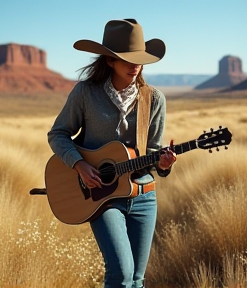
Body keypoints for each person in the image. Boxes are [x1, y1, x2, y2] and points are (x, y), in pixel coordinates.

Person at [47, 18, 177, 288]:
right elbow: (58, 134)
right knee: (120, 274)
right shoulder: (86, 92)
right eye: (128, 59)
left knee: (137, 280)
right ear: (109, 60)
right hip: (102, 197)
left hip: (143, 196)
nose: (136, 65)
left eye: (140, 59)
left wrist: (164, 164)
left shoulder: (153, 99)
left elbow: (153, 152)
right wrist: (79, 164)